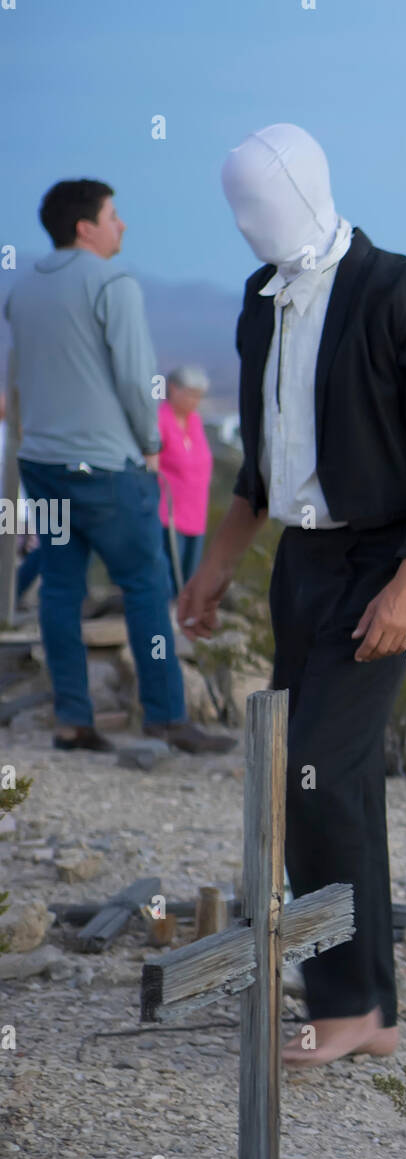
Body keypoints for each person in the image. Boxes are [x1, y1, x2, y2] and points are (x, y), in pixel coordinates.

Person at [178, 124, 406, 1067]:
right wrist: (217, 562)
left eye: (255, 202)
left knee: (310, 773)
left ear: (303, 190)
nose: (243, 224)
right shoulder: (259, 301)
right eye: (233, 207)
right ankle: (373, 1012)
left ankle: (346, 1003)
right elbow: (262, 460)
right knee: (328, 779)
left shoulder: (404, 295)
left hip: (384, 567)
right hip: (303, 568)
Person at [3, 179, 234, 754]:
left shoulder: (22, 289)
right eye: (114, 215)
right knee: (146, 586)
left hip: (43, 465)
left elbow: (17, 377)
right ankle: (165, 715)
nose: (122, 225)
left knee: (59, 588)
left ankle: (72, 722)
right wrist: (150, 441)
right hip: (105, 467)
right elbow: (137, 378)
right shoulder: (114, 284)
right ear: (86, 226)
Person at [157, 366, 214, 596]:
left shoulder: (195, 421)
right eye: (191, 393)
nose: (195, 401)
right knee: (170, 576)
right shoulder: (160, 420)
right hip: (168, 513)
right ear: (173, 388)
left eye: (199, 395)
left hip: (196, 512)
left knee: (190, 576)